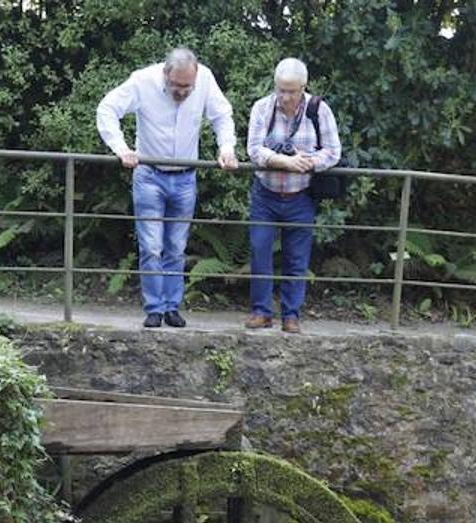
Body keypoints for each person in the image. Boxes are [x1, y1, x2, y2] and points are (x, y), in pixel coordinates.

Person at [97, 48, 239, 328]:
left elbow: (222, 115)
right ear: (165, 74)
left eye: (188, 87)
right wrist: (121, 148)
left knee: (176, 246)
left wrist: (227, 148)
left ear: (195, 77)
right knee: (151, 245)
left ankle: (172, 307)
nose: (183, 92)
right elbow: (107, 109)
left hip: (186, 177)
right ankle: (154, 308)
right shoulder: (142, 81)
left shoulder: (206, 79)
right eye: (177, 85)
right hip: (149, 175)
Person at [244, 58, 341, 334]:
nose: (285, 96)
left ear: (303, 87)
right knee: (260, 251)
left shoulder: (319, 110)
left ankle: (291, 314)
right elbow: (254, 149)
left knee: (297, 259)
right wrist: (283, 161)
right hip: (266, 192)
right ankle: (261, 311)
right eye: (281, 90)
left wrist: (309, 162)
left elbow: (333, 152)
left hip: (301, 195)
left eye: (291, 91)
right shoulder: (262, 108)